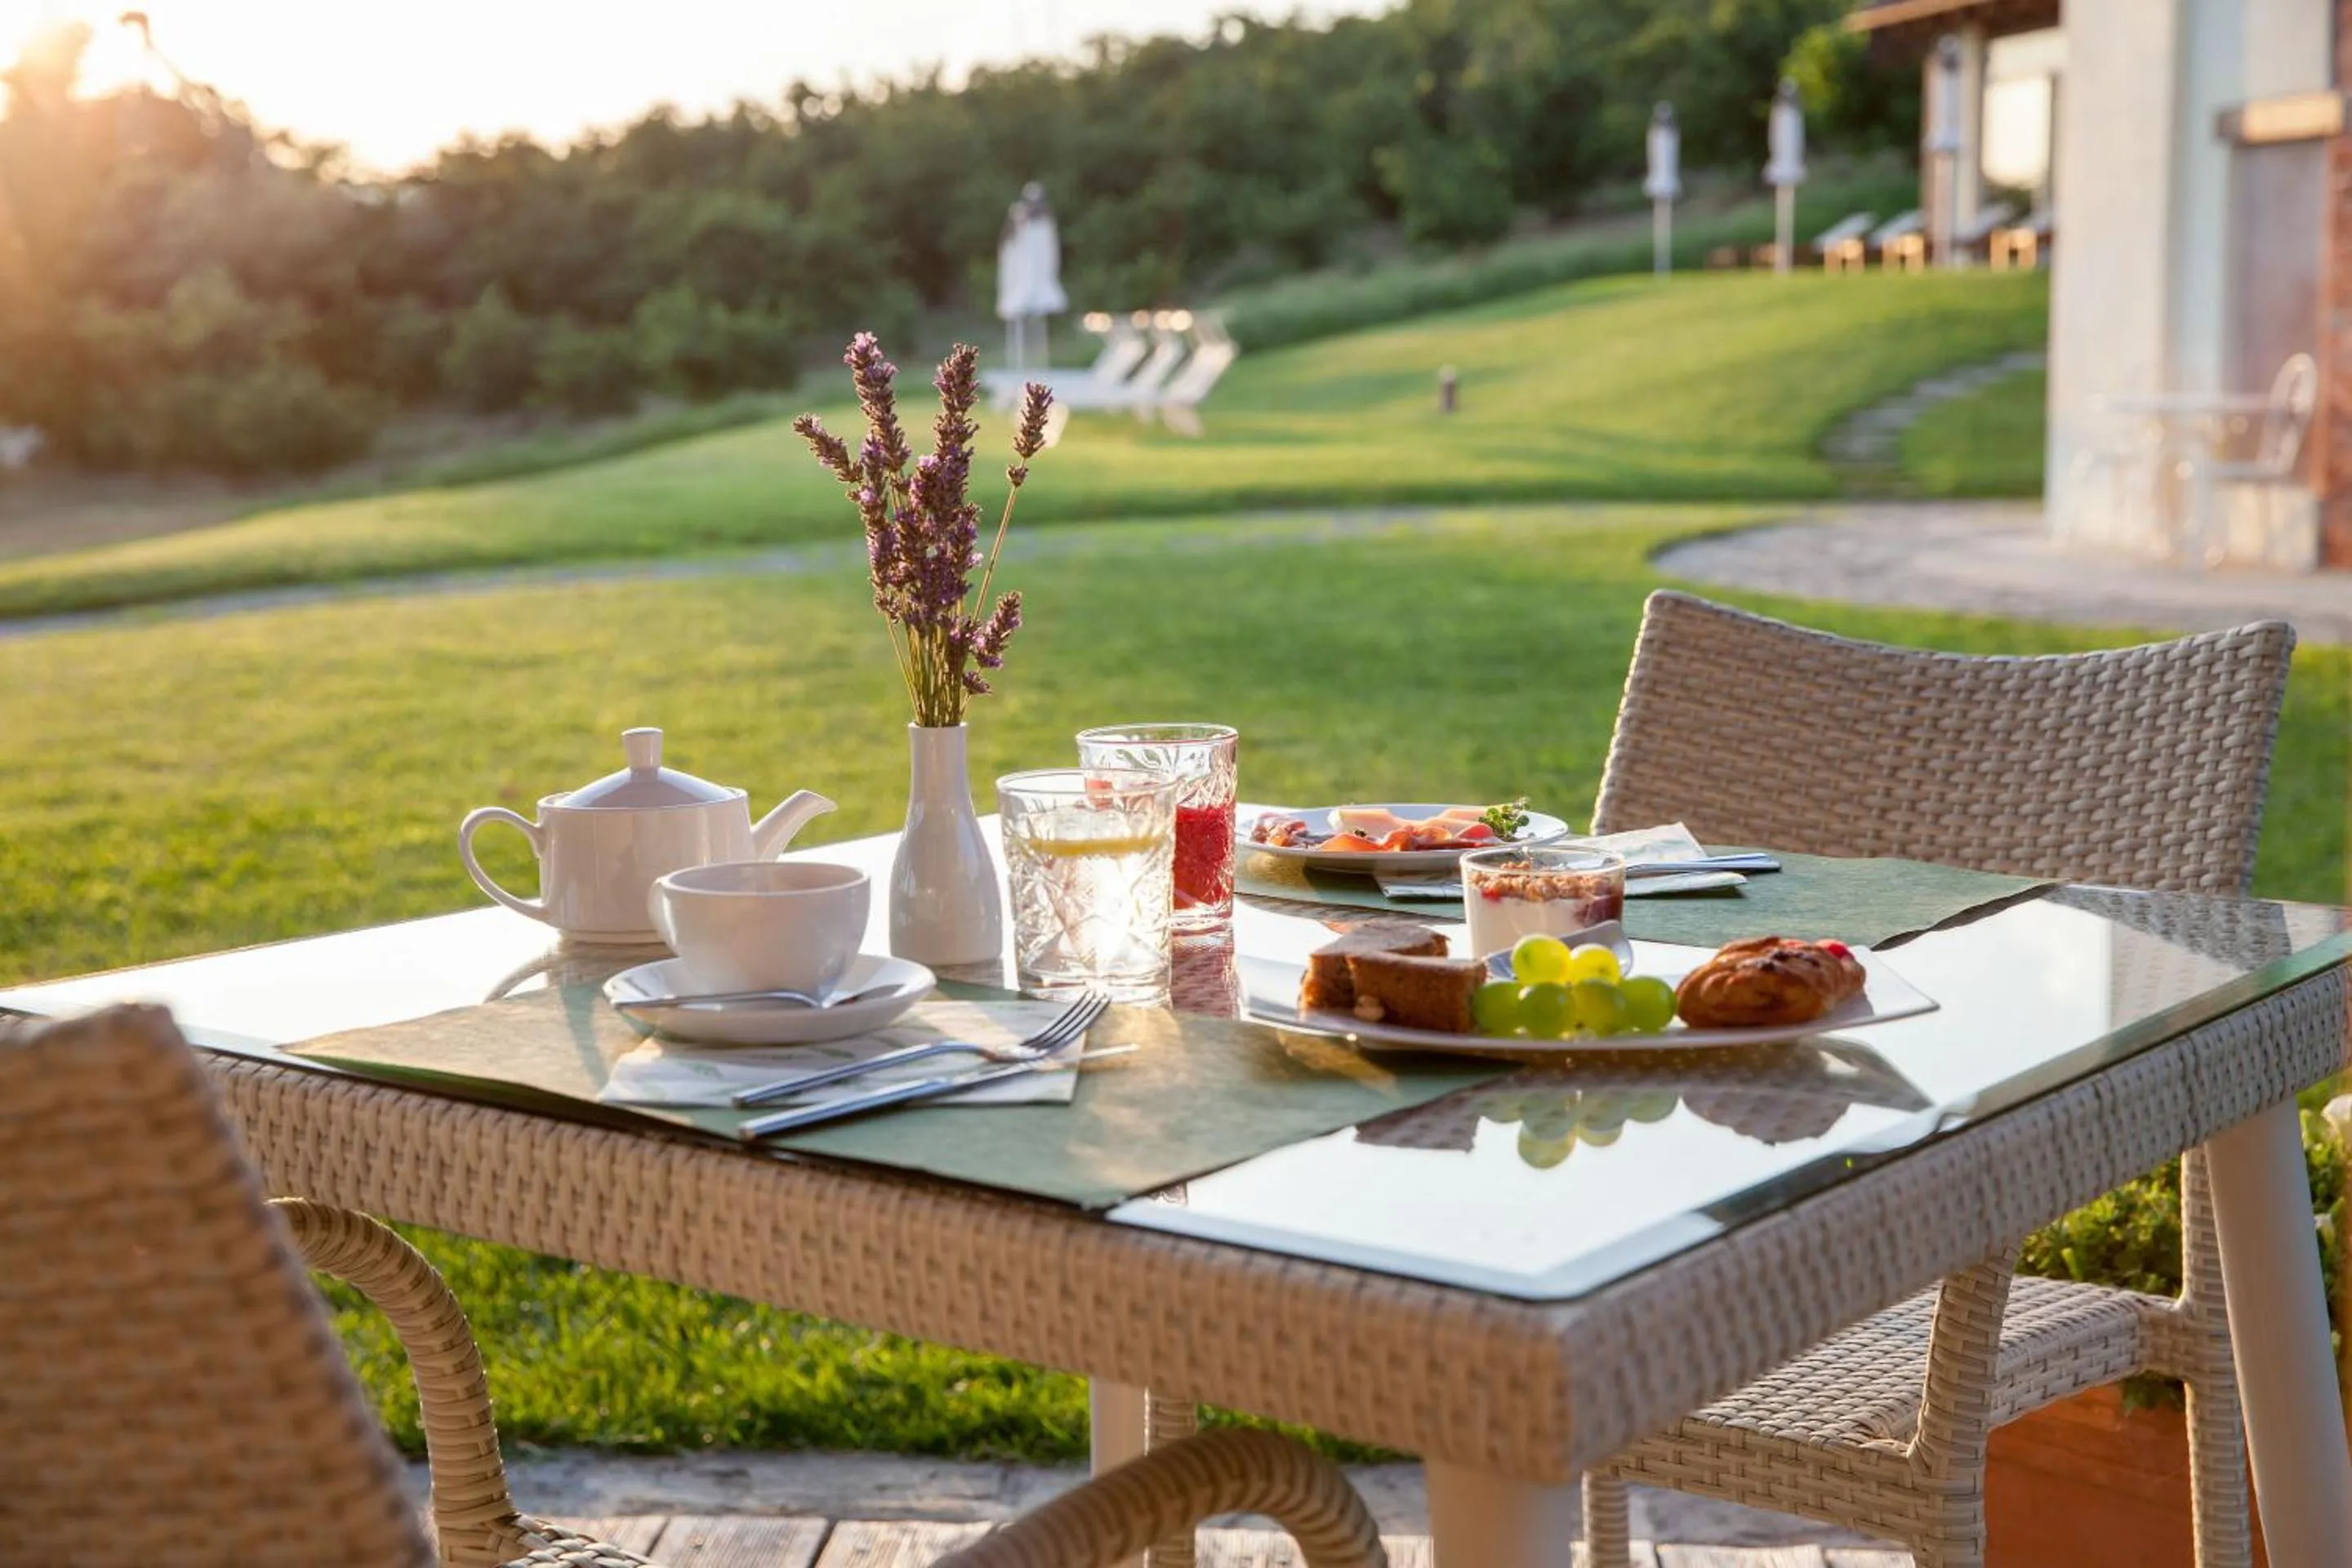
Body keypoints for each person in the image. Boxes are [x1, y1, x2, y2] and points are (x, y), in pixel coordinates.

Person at [996, 182, 1068, 371]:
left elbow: (1049, 254)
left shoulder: (1045, 224)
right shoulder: (1018, 218)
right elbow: (1011, 250)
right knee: (1021, 319)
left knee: (1037, 321)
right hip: (1021, 278)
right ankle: (1018, 364)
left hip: (1039, 278)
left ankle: (1039, 365)